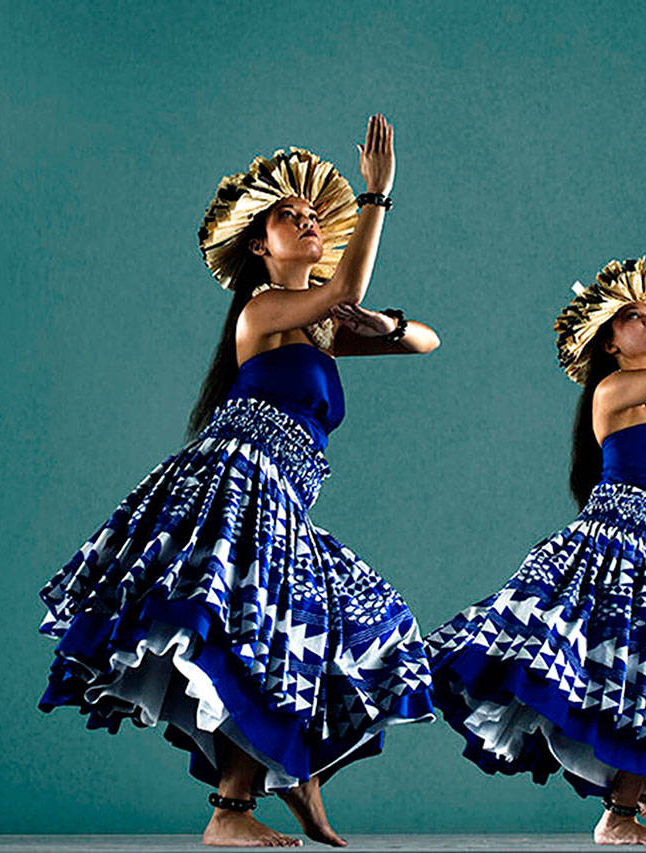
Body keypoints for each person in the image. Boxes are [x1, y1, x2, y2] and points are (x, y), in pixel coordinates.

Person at [39, 116, 438, 848]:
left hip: (284, 495)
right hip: (240, 482)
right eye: (292, 215)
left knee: (326, 629)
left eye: (317, 214)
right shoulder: (262, 309)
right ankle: (233, 806)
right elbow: (346, 280)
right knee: (253, 631)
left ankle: (290, 777)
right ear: (261, 244)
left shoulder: (320, 324)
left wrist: (377, 321)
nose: (310, 221)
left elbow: (422, 339)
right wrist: (375, 196)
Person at [425, 224, 646, 845]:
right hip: (616, 549)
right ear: (610, 343)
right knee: (641, 670)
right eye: (635, 317)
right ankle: (617, 815)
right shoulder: (613, 391)